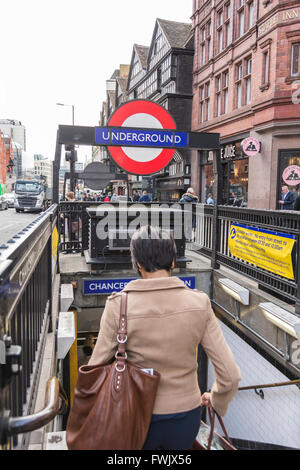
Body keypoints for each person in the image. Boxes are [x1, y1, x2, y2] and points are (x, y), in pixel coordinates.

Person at [88, 226, 241, 450]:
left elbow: (95, 369)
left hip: (136, 415)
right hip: (186, 415)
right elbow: (230, 375)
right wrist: (216, 400)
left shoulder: (118, 306)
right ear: (172, 262)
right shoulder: (199, 303)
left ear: (137, 264)